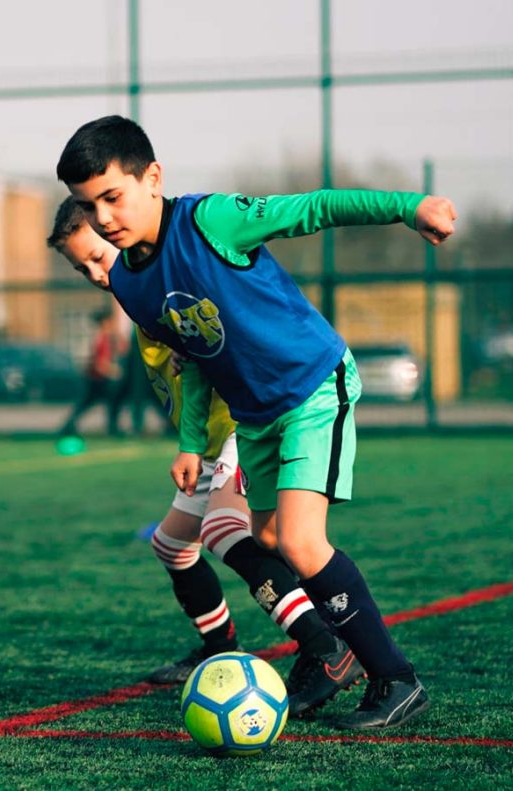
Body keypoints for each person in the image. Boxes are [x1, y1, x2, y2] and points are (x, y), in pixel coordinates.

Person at [57, 115, 457, 729]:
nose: (105, 217)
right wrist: (192, 444)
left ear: (153, 178)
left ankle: (396, 678)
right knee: (266, 541)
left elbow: (315, 208)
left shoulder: (210, 220)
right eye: (90, 206)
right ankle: (333, 647)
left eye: (113, 196)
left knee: (300, 542)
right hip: (256, 415)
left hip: (313, 385)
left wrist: (410, 206)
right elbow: (194, 363)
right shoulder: (132, 287)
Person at [49, 201, 363, 716]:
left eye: (97, 258)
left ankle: (325, 647)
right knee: (172, 545)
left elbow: (225, 336)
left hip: (243, 425)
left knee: (225, 531)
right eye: (81, 267)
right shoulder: (136, 297)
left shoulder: (163, 280)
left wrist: (194, 353)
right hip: (208, 445)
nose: (94, 273)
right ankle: (220, 647)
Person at [59, 308, 125, 437]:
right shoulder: (103, 338)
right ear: (104, 322)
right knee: (89, 404)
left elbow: (121, 349)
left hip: (100, 379)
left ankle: (112, 429)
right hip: (98, 380)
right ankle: (68, 427)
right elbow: (101, 364)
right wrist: (115, 371)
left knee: (110, 404)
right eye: (110, 321)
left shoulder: (108, 337)